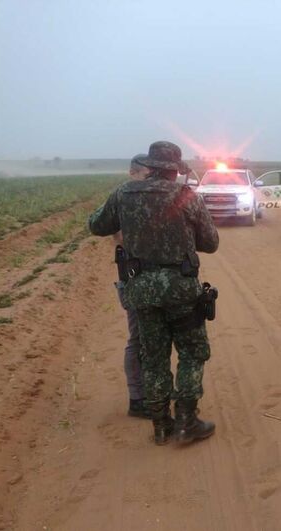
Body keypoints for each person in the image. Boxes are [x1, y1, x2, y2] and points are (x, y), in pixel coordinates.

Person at [88, 141, 219, 446]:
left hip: (141, 290)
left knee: (154, 357)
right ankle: (187, 422)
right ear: (174, 170)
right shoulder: (186, 196)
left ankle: (161, 425)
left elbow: (96, 225)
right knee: (192, 352)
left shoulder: (123, 193)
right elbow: (210, 242)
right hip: (181, 290)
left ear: (149, 167)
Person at [113, 155, 151, 419]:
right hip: (134, 276)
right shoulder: (122, 198)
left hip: (152, 277)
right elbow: (114, 234)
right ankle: (137, 398)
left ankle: (151, 390)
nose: (147, 181)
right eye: (144, 175)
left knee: (154, 337)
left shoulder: (145, 199)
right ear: (132, 173)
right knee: (137, 338)